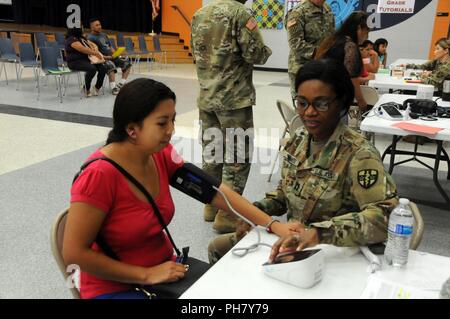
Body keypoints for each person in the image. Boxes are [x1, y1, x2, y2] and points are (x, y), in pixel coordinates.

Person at [64, 78, 294, 299]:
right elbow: (74, 254)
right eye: (162, 123)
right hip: (116, 287)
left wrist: (273, 225)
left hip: (166, 272)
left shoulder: (160, 154)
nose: (171, 130)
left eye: (173, 120)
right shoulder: (98, 176)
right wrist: (146, 275)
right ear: (132, 129)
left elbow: (215, 192)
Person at [208, 59, 398, 265]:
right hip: (293, 241)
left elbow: (384, 218)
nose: (309, 112)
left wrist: (319, 233)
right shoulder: (298, 139)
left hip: (335, 251)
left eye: (321, 104)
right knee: (218, 248)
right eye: (302, 103)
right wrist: (255, 211)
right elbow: (284, 194)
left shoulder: (359, 154)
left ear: (341, 102)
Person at [191, 0, 272, 233]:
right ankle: (227, 215)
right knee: (237, 157)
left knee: (212, 153)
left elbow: (197, 52)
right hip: (234, 99)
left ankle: (210, 206)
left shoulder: (200, 13)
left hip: (207, 95)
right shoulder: (240, 14)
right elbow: (256, 53)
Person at [315, 11, 370, 110]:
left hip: (319, 92)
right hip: (334, 98)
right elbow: (352, 78)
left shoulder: (333, 40)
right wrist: (361, 101)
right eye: (366, 32)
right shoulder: (350, 46)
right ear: (359, 28)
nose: (367, 36)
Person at [285, 0, 335, 101]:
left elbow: (331, 37)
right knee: (304, 107)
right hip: (303, 69)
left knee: (322, 105)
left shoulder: (327, 9)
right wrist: (319, 53)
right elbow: (295, 44)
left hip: (323, 68)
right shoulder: (298, 12)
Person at [87, 19, 132, 95]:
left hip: (112, 57)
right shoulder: (90, 38)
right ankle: (113, 88)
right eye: (96, 25)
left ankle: (121, 84)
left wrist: (116, 53)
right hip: (101, 59)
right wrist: (106, 57)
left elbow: (110, 47)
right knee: (110, 65)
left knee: (127, 63)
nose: (99, 26)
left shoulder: (104, 35)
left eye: (99, 24)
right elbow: (94, 53)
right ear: (92, 27)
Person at [65, 27, 107, 97]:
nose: (83, 28)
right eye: (81, 27)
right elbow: (82, 49)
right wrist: (95, 53)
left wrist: (94, 48)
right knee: (92, 69)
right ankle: (86, 89)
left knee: (103, 68)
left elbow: (93, 44)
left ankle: (97, 87)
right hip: (74, 62)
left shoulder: (81, 38)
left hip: (86, 60)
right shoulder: (71, 39)